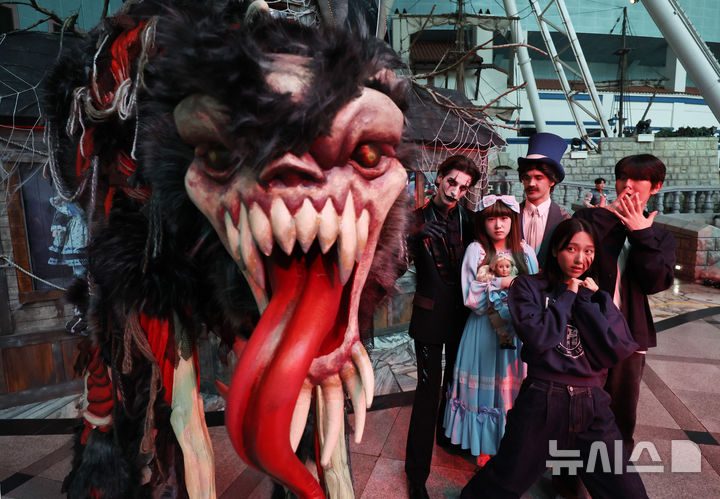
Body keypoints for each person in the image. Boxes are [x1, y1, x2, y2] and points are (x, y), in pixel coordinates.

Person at [461, 218, 647, 499]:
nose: (580, 259)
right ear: (555, 250)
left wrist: (592, 300)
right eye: (571, 249)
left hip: (592, 403)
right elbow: (539, 338)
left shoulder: (595, 295)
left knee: (626, 491)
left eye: (588, 251)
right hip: (543, 399)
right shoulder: (528, 287)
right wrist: (568, 296)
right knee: (501, 484)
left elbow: (615, 348)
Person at [574, 154, 675, 454]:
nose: (627, 185)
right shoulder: (591, 220)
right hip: (586, 332)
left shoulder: (660, 237)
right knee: (577, 412)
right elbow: (573, 264)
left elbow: (655, 283)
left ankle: (614, 475)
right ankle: (570, 476)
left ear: (655, 186)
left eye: (638, 179)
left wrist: (642, 234)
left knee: (620, 417)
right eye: (622, 178)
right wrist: (609, 218)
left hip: (630, 337)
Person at [405, 155, 479, 499]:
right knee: (427, 393)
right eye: (452, 182)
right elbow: (393, 264)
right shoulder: (413, 220)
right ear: (439, 177)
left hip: (463, 319)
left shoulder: (470, 220)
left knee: (454, 386)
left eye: (463, 187)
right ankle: (416, 474)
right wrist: (413, 237)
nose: (455, 191)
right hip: (428, 318)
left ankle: (447, 437)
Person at [443, 195, 538, 465]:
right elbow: (470, 297)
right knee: (484, 386)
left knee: (512, 385)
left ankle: (512, 445)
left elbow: (536, 293)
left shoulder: (525, 251)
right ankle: (484, 445)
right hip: (483, 328)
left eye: (504, 218)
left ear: (513, 220)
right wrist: (500, 284)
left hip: (516, 331)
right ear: (483, 222)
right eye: (492, 218)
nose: (498, 225)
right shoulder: (477, 250)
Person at [517, 133, 571, 268]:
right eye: (527, 177)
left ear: (552, 181)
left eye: (538, 177)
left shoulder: (565, 219)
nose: (531, 183)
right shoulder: (510, 215)